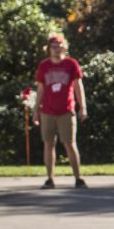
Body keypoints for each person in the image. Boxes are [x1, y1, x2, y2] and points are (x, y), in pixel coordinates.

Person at [32, 34, 88, 189]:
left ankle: (78, 178)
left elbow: (78, 86)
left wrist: (82, 107)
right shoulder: (44, 66)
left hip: (66, 110)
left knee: (69, 143)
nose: (56, 49)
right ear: (49, 49)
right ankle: (50, 178)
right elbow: (41, 89)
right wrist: (36, 110)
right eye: (53, 46)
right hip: (48, 110)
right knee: (48, 143)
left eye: (59, 46)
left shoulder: (71, 64)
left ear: (64, 47)